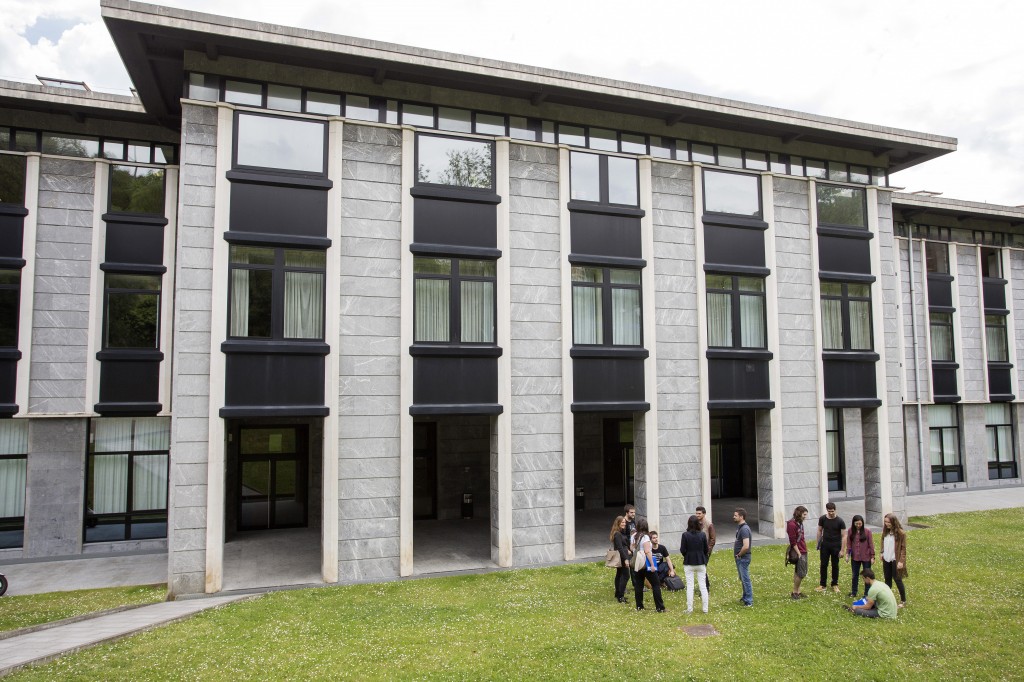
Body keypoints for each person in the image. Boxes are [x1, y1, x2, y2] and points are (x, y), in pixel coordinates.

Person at [630, 517, 665, 612]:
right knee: (656, 584)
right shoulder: (645, 537)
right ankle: (660, 607)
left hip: (637, 563)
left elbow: (632, 548)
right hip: (645, 562)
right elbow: (647, 552)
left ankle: (639, 606)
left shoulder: (633, 536)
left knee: (639, 585)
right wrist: (652, 565)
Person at [679, 514, 710, 614]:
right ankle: (705, 609)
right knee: (703, 586)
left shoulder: (685, 535)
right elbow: (706, 549)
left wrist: (687, 555)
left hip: (689, 562)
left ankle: (689, 609)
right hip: (701, 562)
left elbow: (682, 550)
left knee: (690, 586)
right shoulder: (702, 535)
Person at [816, 502, 847, 593]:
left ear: (835, 510)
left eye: (832, 511)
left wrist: (842, 550)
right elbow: (819, 530)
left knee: (835, 565)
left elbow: (844, 536)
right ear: (827, 510)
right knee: (823, 565)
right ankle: (822, 584)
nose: (831, 513)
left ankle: (835, 584)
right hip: (825, 545)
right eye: (829, 511)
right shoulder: (822, 519)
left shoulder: (840, 521)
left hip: (836, 546)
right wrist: (818, 543)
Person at [881, 512, 908, 607]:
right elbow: (883, 542)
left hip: (895, 559)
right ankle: (886, 598)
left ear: (893, 522)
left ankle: (903, 600)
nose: (886, 524)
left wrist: (901, 561)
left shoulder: (901, 533)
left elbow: (903, 549)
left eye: (888, 522)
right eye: (885, 522)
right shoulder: (885, 531)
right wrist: (882, 552)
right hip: (886, 558)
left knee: (897, 579)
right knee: (887, 579)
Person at [846, 514, 875, 598]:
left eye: (860, 524)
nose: (858, 525)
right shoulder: (850, 531)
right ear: (853, 523)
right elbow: (849, 544)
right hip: (855, 557)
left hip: (866, 557)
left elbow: (871, 544)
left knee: (867, 575)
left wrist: (872, 556)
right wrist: (847, 554)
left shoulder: (867, 531)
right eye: (856, 524)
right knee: (855, 575)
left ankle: (867, 593)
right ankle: (854, 592)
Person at [786, 505, 809, 599]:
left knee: (798, 571)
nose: (805, 517)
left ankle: (797, 591)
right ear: (799, 514)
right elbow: (793, 541)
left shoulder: (799, 523)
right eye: (804, 514)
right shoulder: (792, 524)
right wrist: (799, 553)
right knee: (801, 573)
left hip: (803, 549)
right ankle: (795, 592)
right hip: (799, 551)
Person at [733, 508, 753, 607]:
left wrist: (739, 555)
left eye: (736, 515)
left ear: (741, 517)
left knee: (745, 579)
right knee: (743, 578)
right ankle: (745, 596)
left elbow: (746, 546)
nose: (734, 517)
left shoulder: (744, 529)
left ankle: (749, 600)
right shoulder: (741, 527)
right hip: (740, 558)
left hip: (743, 558)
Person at [610, 515, 632, 604]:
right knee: (626, 575)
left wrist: (627, 550)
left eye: (625, 522)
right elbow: (619, 548)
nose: (624, 524)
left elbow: (623, 545)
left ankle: (618, 593)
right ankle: (621, 596)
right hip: (622, 557)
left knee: (619, 574)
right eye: (622, 522)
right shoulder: (617, 534)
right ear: (618, 523)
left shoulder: (620, 532)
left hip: (622, 556)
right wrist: (626, 559)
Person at [695, 505, 716, 593]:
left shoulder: (709, 524)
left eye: (699, 513)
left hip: (705, 550)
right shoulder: (696, 523)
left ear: (704, 514)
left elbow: (712, 538)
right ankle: (705, 586)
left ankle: (705, 588)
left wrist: (708, 550)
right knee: (701, 568)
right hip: (697, 550)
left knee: (702, 568)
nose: (697, 515)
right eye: (696, 513)